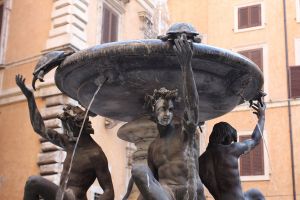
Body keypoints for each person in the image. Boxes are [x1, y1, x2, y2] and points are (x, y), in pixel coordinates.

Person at [16, 74, 114, 200]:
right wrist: (30, 97)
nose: (65, 132)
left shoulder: (95, 154)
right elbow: (39, 128)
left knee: (33, 182)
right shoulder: (69, 143)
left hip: (73, 198)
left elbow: (109, 190)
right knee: (35, 189)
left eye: (66, 128)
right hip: (61, 196)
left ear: (76, 127)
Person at [131, 35, 206, 200]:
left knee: (141, 173)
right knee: (139, 172)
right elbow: (151, 184)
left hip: (188, 192)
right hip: (167, 193)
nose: (168, 114)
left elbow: (193, 105)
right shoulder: (153, 147)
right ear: (154, 112)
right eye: (163, 109)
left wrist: (186, 66)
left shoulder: (185, 132)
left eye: (171, 110)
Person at [198, 97, 266, 200]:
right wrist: (262, 117)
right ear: (226, 137)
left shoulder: (200, 161)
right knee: (255, 193)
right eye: (231, 140)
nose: (232, 143)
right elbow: (255, 140)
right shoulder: (230, 150)